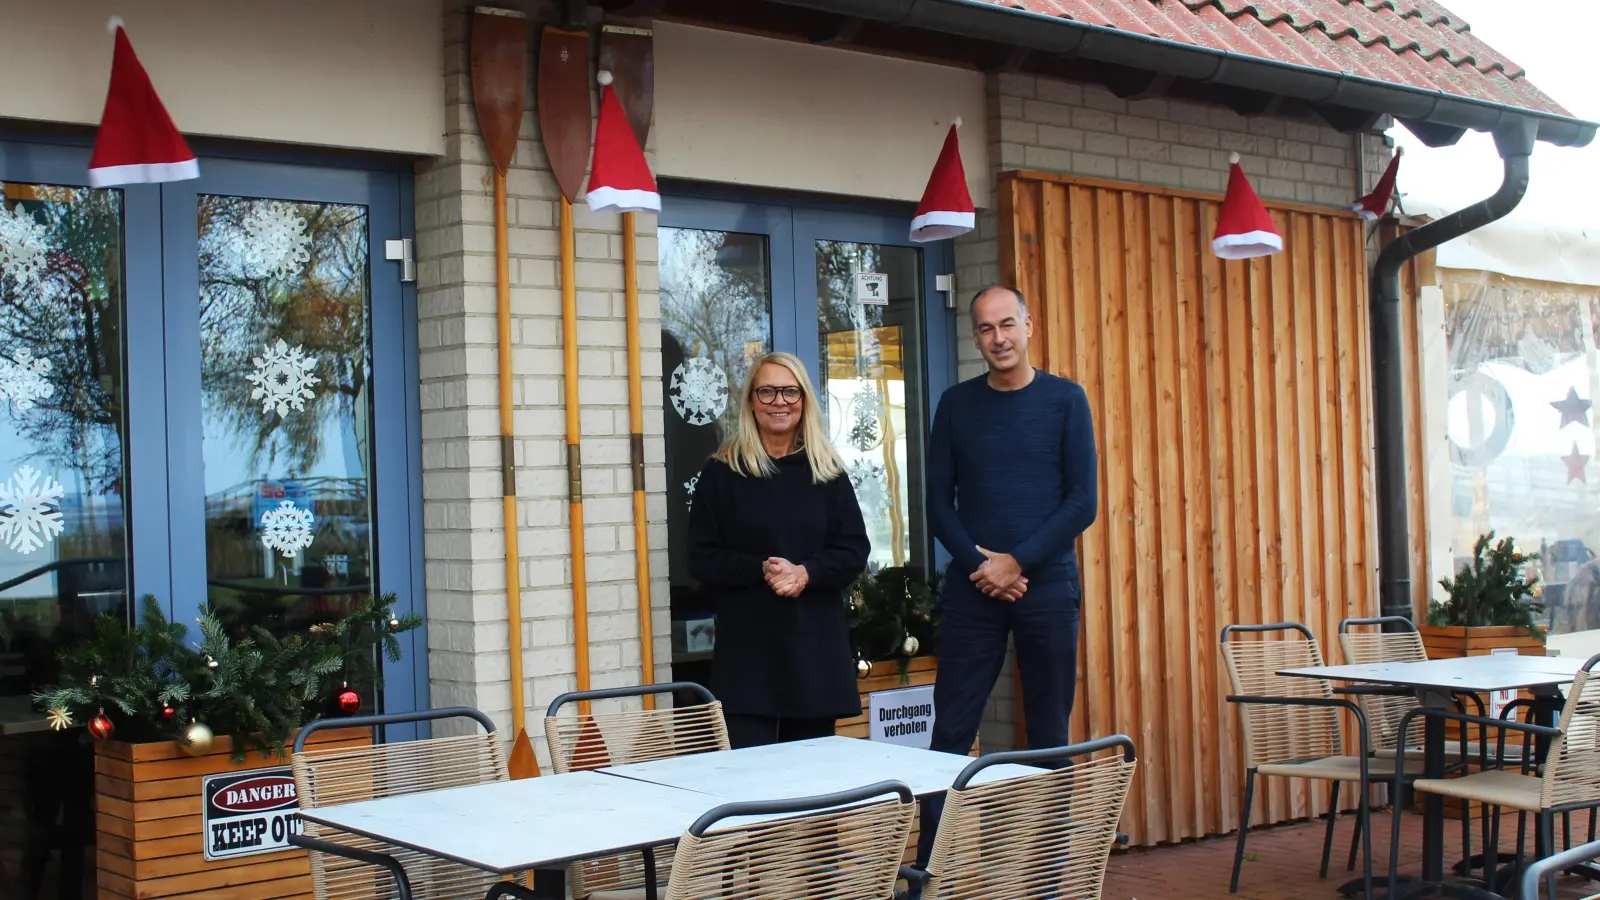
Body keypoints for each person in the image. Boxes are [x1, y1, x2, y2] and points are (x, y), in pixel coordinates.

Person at [914, 285, 1097, 876]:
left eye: (1007, 325)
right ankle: (931, 871)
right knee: (951, 731)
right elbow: (938, 504)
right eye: (986, 329)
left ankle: (1051, 873)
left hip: (1046, 589)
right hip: (972, 592)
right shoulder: (956, 405)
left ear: (1029, 325)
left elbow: (1081, 503)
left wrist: (1016, 562)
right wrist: (981, 565)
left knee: (1049, 732)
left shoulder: (1067, 400)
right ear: (975, 338)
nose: (999, 338)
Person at [687, 351, 871, 749]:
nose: (779, 402)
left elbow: (854, 549)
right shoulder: (722, 472)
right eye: (767, 391)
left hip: (814, 649)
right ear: (752, 401)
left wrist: (806, 573)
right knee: (748, 784)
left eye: (790, 391)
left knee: (812, 787)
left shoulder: (827, 472)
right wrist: (761, 569)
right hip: (748, 654)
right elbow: (700, 556)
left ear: (804, 400)